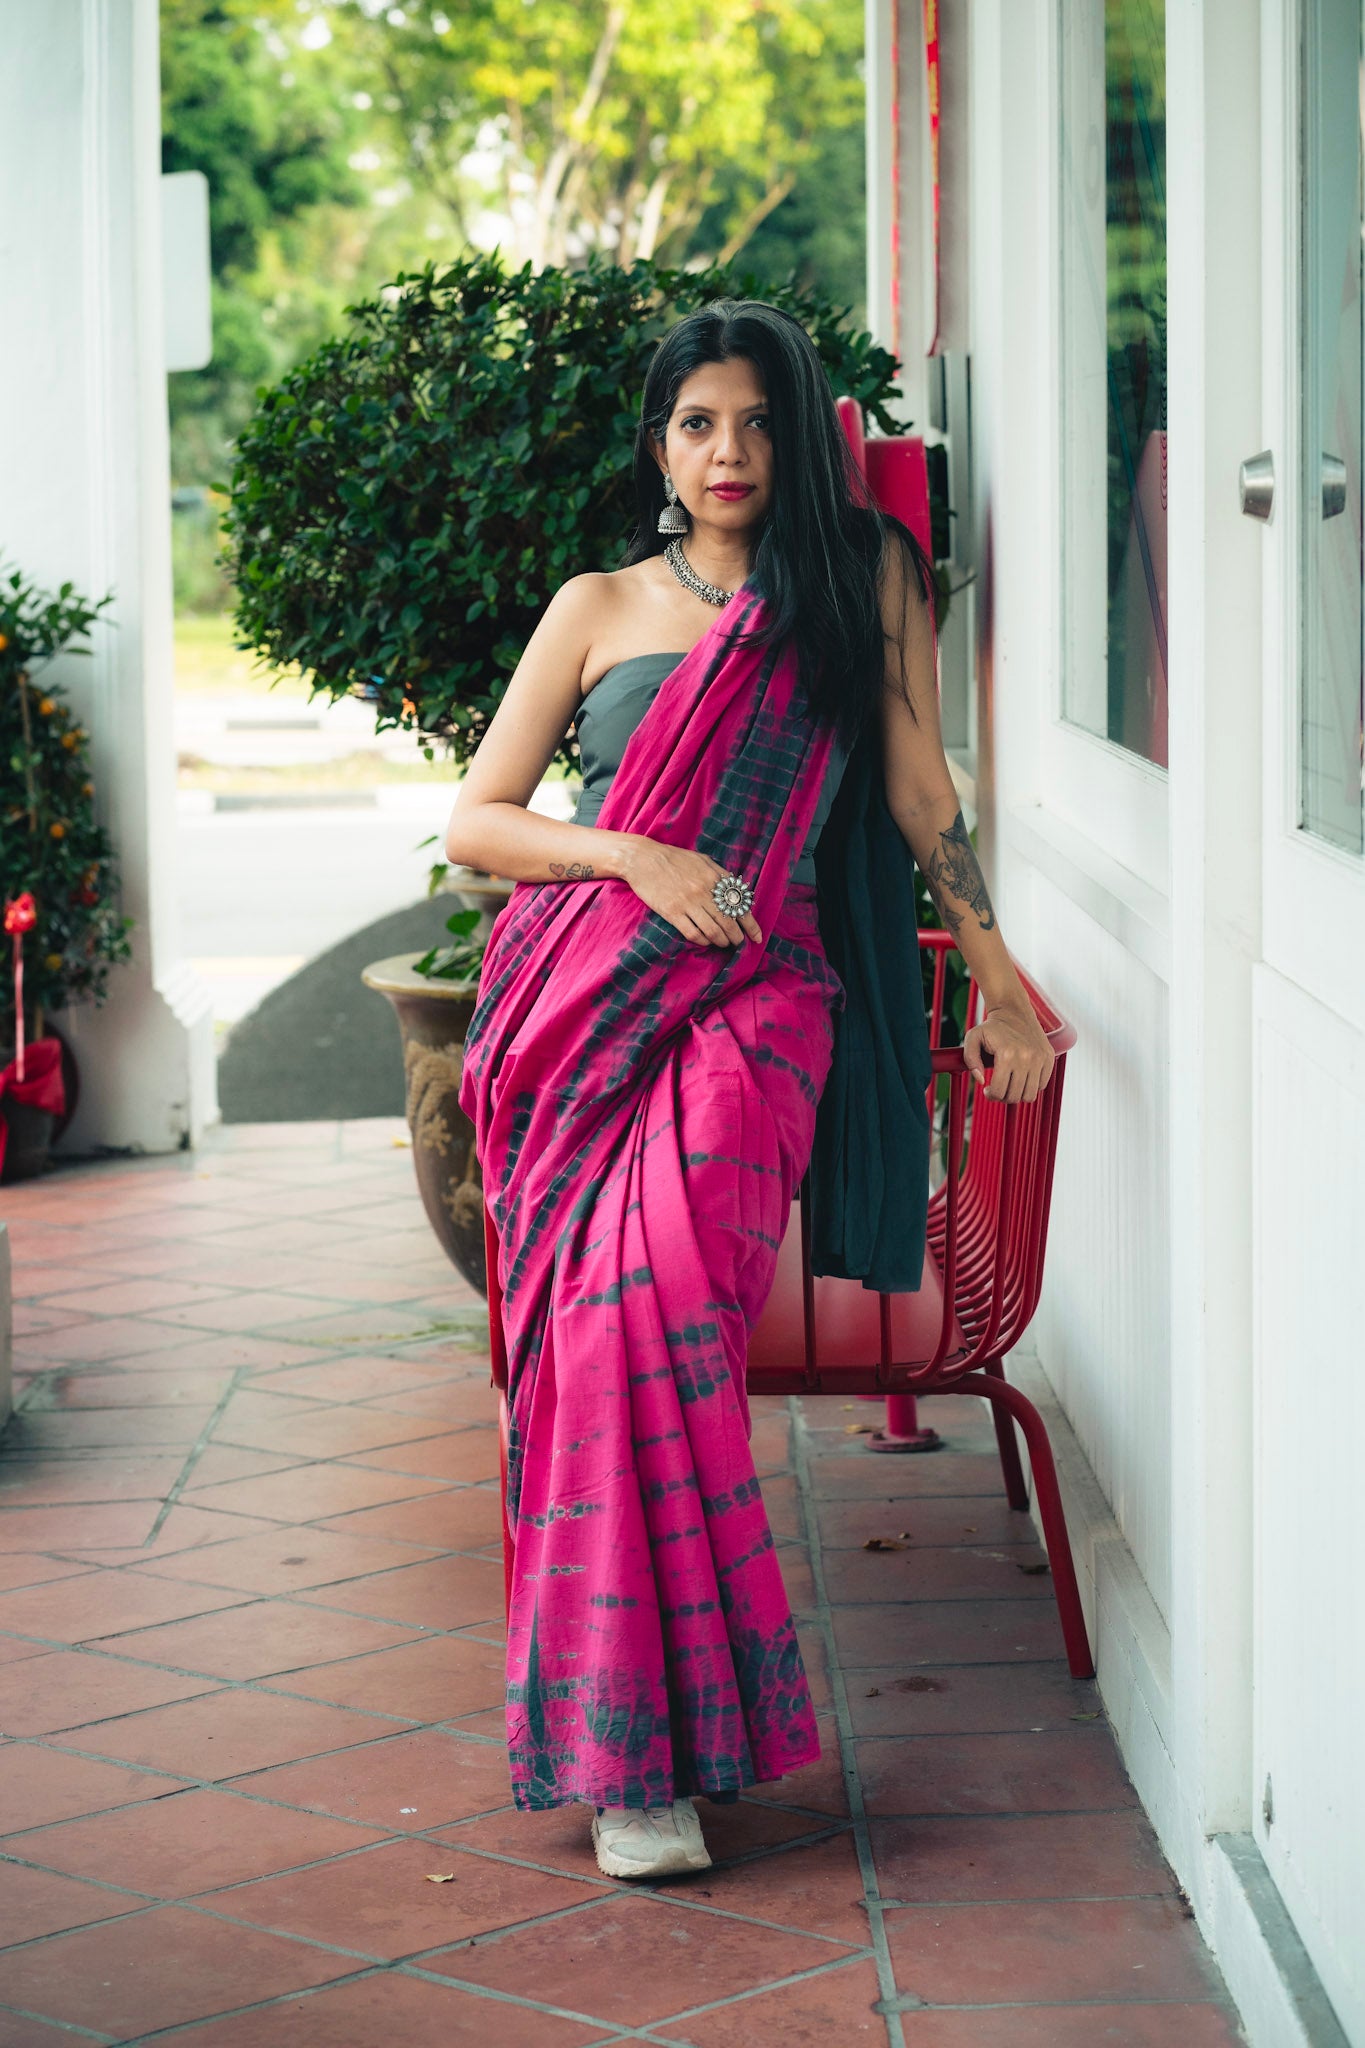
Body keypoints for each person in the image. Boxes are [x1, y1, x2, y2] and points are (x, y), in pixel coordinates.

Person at [448, 299, 1055, 1881]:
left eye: (760, 421)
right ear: (659, 443)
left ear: (802, 435)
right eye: (699, 423)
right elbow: (482, 822)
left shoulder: (861, 579)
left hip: (760, 1007)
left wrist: (990, 967)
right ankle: (632, 1766)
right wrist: (630, 852)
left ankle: (663, 1741)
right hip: (580, 1005)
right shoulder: (596, 606)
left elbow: (919, 786)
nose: (731, 453)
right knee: (584, 1344)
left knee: (653, 1317)